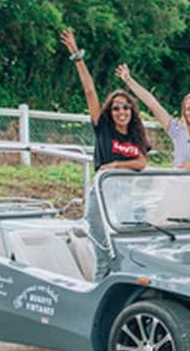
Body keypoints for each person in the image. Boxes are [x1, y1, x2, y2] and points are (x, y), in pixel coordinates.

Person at [60, 30, 150, 279]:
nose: (121, 112)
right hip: (101, 193)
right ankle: (99, 292)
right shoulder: (103, 128)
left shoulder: (135, 135)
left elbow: (142, 162)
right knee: (103, 251)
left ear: (132, 110)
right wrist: (77, 56)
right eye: (116, 108)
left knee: (124, 251)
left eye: (126, 107)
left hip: (124, 194)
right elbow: (90, 91)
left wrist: (115, 166)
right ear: (110, 111)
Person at [115, 63, 190, 182]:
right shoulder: (179, 131)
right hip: (178, 189)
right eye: (188, 109)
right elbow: (153, 104)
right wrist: (129, 80)